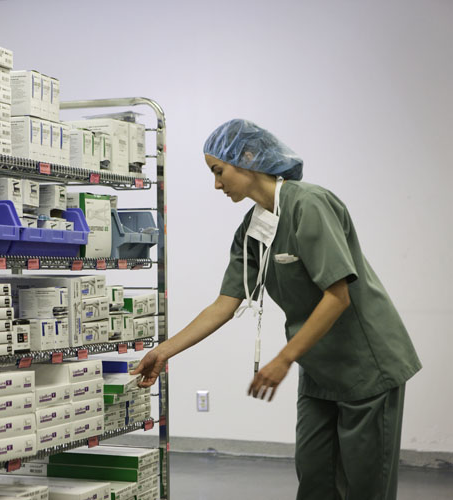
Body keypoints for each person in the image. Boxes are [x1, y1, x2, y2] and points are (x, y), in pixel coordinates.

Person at [130, 119, 422, 500]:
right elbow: (225, 303)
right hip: (319, 369)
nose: (216, 184)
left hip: (367, 366)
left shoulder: (310, 204)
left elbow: (338, 297)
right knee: (315, 479)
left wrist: (283, 359)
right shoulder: (253, 229)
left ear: (248, 158)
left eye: (219, 172)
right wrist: (163, 352)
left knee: (366, 486)